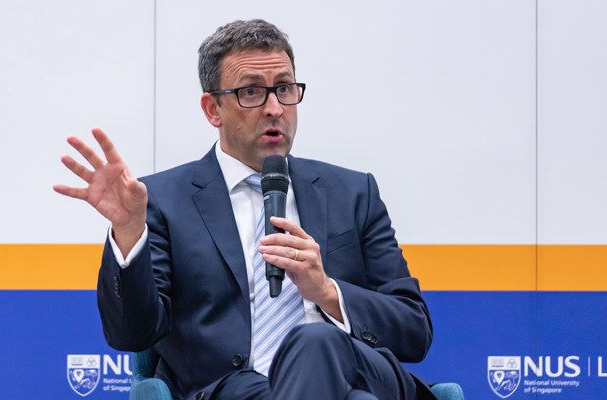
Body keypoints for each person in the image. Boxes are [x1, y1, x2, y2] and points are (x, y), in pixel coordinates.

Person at [54, 19, 435, 400]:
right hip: (234, 389)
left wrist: (326, 291)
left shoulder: (353, 192)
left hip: (356, 369)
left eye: (284, 89)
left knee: (317, 341)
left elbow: (414, 329)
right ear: (213, 109)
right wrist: (128, 233)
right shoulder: (163, 201)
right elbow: (131, 334)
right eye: (251, 92)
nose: (274, 109)